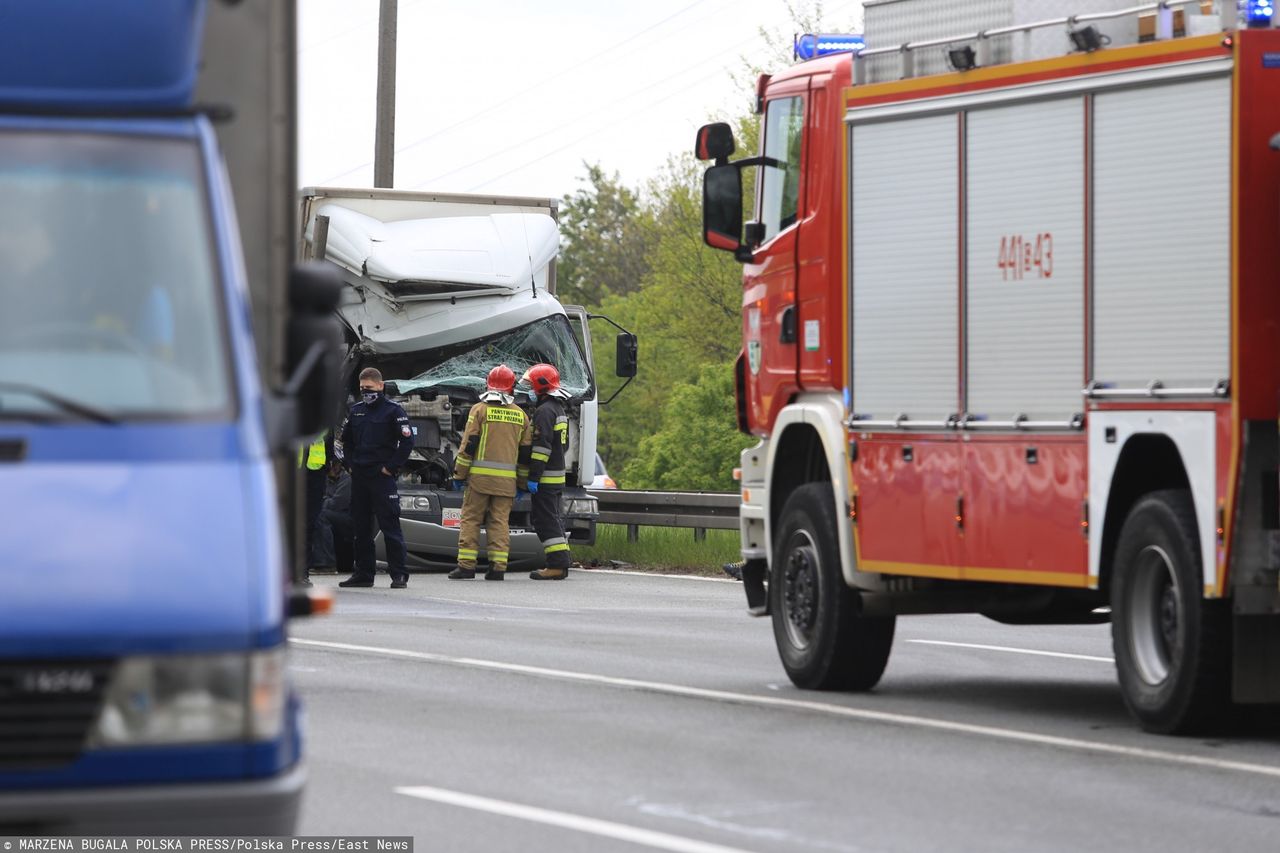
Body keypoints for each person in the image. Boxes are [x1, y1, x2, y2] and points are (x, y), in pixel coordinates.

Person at [448, 364, 532, 580]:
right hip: (507, 485)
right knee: (499, 522)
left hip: (480, 482)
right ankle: (498, 567)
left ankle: (466, 566)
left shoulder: (479, 410)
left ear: (488, 385)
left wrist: (459, 474)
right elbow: (525, 455)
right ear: (512, 387)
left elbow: (468, 445)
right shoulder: (521, 416)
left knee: (471, 520)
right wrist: (522, 483)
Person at [336, 368, 413, 589]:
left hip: (382, 477)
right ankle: (363, 574)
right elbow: (347, 442)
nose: (366, 392)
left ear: (380, 386)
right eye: (362, 389)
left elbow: (407, 442)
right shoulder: (357, 411)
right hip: (360, 476)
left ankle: (399, 575)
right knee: (360, 529)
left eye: (369, 388)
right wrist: (349, 466)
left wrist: (390, 468)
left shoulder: (393, 411)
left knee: (390, 526)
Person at [522, 363, 572, 580]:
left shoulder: (544, 411)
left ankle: (557, 566)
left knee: (545, 520)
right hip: (557, 475)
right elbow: (564, 445)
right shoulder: (558, 408)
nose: (530, 392)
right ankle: (561, 561)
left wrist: (533, 477)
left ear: (540, 387)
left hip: (546, 477)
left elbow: (542, 448)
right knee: (554, 518)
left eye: (532, 387)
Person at [310, 462, 354, 576]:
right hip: (334, 516)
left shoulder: (347, 479)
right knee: (314, 516)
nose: (333, 468)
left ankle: (326, 563)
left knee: (321, 516)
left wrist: (322, 500)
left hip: (349, 518)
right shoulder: (325, 479)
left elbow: (337, 503)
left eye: (336, 465)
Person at [299, 430, 327, 586]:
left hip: (315, 475)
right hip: (292, 474)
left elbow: (328, 448)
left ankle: (302, 573)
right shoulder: (289, 416)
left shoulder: (322, 422)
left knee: (309, 524)